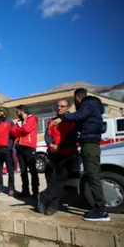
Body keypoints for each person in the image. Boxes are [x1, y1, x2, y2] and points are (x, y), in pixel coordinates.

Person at [53, 88, 110, 221]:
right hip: (89, 142)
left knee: (92, 175)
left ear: (77, 98)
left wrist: (63, 118)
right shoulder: (93, 110)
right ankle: (98, 207)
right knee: (92, 175)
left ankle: (101, 211)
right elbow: (80, 123)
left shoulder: (88, 103)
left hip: (90, 144)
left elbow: (79, 115)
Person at [36, 99, 78, 215]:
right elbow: (47, 135)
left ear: (67, 107)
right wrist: (50, 144)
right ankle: (49, 204)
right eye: (58, 106)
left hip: (67, 155)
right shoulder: (51, 121)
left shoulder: (72, 120)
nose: (59, 108)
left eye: (62, 106)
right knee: (52, 180)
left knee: (60, 181)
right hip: (54, 154)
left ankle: (46, 198)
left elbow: (72, 137)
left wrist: (60, 147)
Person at [11, 105, 39, 199]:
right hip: (20, 148)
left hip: (29, 147)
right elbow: (12, 132)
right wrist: (20, 130)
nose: (16, 113)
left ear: (22, 111)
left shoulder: (32, 119)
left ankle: (35, 192)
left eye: (17, 111)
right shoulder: (18, 122)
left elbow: (26, 129)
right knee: (23, 171)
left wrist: (19, 130)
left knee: (32, 170)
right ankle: (25, 191)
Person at [0, 106, 15, 196]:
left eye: (0, 111)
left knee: (10, 170)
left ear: (4, 113)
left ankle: (11, 188)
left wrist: (9, 147)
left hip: (7, 150)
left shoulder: (9, 122)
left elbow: (13, 136)